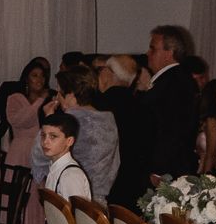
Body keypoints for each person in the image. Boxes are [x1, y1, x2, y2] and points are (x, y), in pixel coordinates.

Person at [33, 64, 118, 203]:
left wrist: (50, 119)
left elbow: (39, 155)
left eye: (60, 92)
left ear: (71, 96)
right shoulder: (108, 120)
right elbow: (115, 162)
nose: (56, 97)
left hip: (68, 197)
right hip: (99, 202)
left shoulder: (69, 123)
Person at [141, 24, 200, 184]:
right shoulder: (170, 80)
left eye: (153, 49)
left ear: (170, 52)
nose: (148, 53)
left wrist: (159, 170)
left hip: (166, 170)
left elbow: (172, 129)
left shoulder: (175, 82)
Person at [4, 58, 52, 224]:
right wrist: (40, 102)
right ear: (26, 78)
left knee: (36, 203)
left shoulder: (51, 100)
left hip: (41, 153)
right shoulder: (14, 98)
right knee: (16, 204)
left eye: (42, 76)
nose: (38, 80)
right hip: (19, 153)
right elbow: (18, 120)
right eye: (34, 75)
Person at [97, 54, 151, 208]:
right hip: (135, 186)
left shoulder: (99, 107)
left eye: (102, 69)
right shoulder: (144, 109)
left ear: (109, 74)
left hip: (105, 186)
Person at [0, 54, 51, 161]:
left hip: (41, 152)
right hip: (11, 148)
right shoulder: (10, 89)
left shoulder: (51, 96)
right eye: (35, 74)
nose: (40, 77)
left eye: (45, 72)